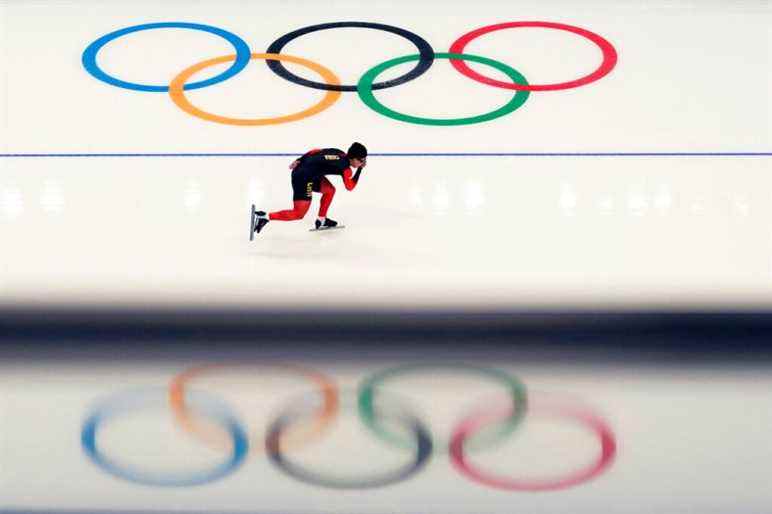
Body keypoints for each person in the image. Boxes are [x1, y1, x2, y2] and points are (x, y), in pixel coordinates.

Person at [253, 142, 367, 235]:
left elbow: (315, 151)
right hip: (303, 177)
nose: (363, 162)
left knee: (330, 190)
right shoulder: (347, 169)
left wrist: (300, 159)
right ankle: (265, 217)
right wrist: (360, 170)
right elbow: (350, 187)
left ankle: (321, 219)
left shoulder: (340, 153)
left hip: (309, 171)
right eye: (361, 160)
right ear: (354, 159)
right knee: (299, 213)